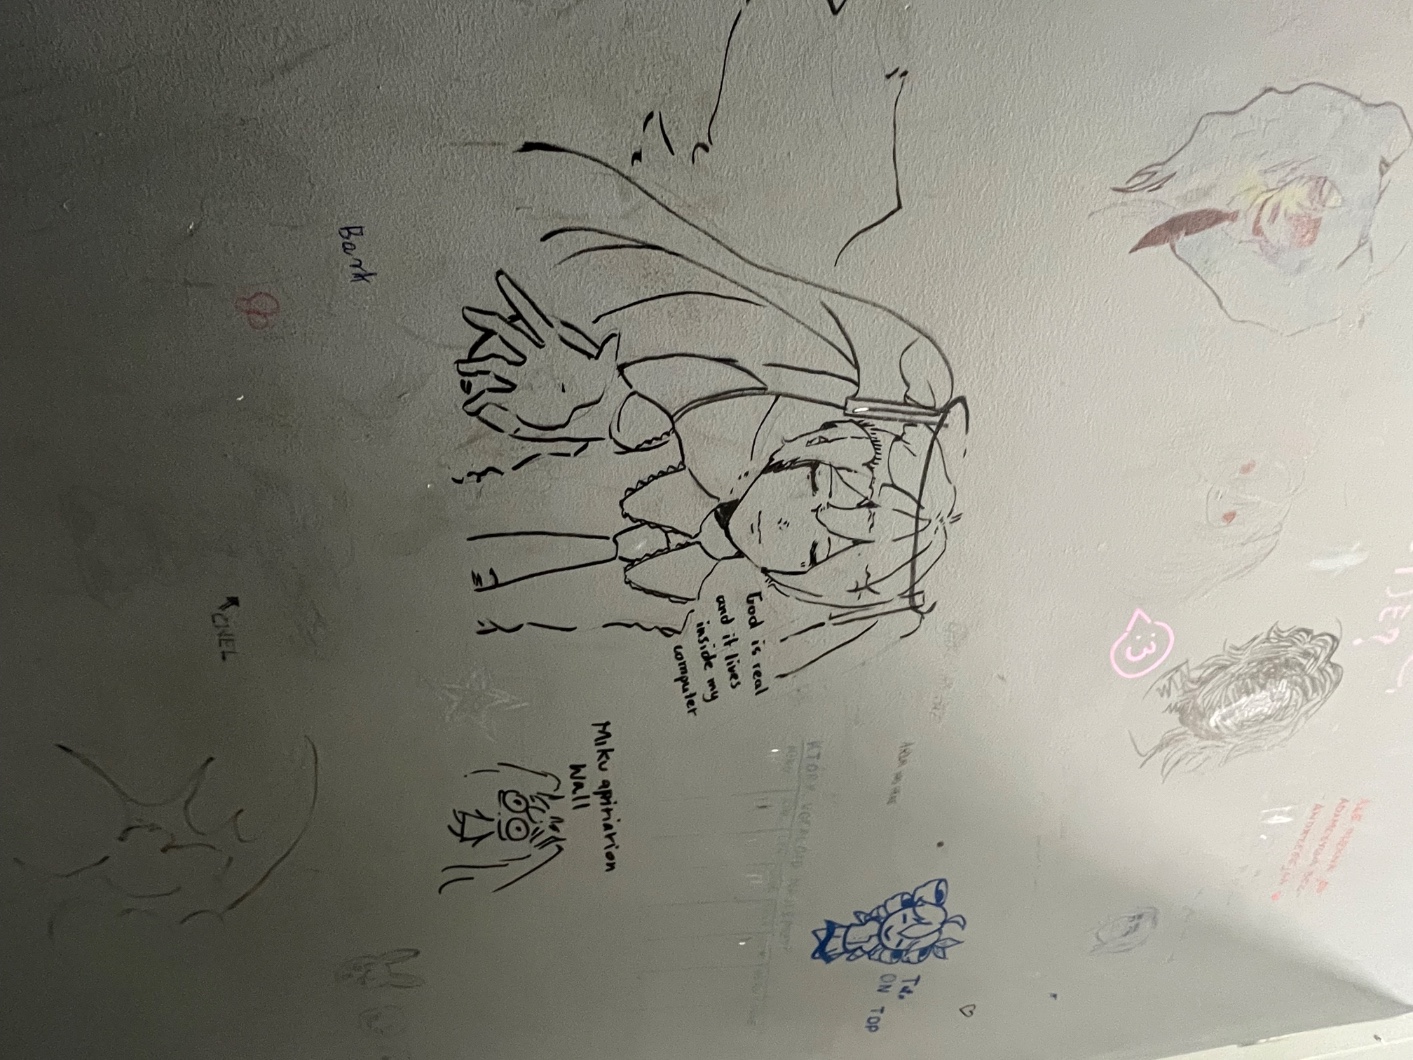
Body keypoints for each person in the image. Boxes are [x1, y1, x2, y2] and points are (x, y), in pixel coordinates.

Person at [454, 141, 968, 671]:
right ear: (805, 446)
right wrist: (598, 399)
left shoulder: (720, 537)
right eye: (815, 484)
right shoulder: (759, 407)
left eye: (815, 553)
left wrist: (597, 410)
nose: (788, 524)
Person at [811, 877, 966, 965]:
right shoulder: (881, 916)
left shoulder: (878, 948)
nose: (892, 932)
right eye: (903, 919)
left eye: (899, 942)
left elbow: (885, 956)